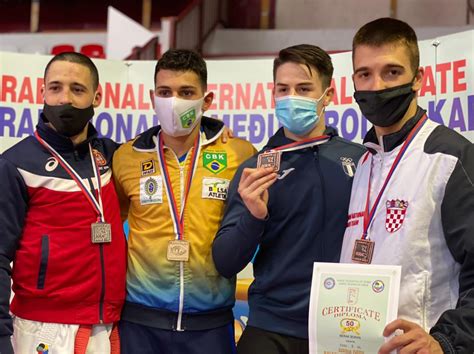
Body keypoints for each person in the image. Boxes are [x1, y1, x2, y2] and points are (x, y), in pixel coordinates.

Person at [212, 44, 366, 354]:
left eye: (304, 88)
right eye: (283, 88)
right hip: (271, 328)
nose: (292, 96)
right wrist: (253, 216)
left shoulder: (361, 161)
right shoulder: (255, 170)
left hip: (345, 329)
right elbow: (225, 262)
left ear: (329, 95)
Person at [339, 17, 474, 353]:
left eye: (392, 72)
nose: (378, 86)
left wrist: (445, 340)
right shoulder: (364, 162)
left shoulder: (450, 158)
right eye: (365, 74)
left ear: (418, 79)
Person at [113, 48, 256, 354]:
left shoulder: (239, 153)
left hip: (211, 325)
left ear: (207, 100)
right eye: (165, 92)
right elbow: (110, 223)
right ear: (153, 97)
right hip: (140, 322)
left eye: (186, 92)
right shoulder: (126, 157)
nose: (174, 101)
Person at [0, 52, 127, 354]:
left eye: (77, 89)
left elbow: (162, 145)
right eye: (55, 87)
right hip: (41, 327)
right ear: (42, 92)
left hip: (107, 325)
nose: (64, 99)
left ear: (97, 96)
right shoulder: (14, 164)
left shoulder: (112, 157)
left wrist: (211, 129)